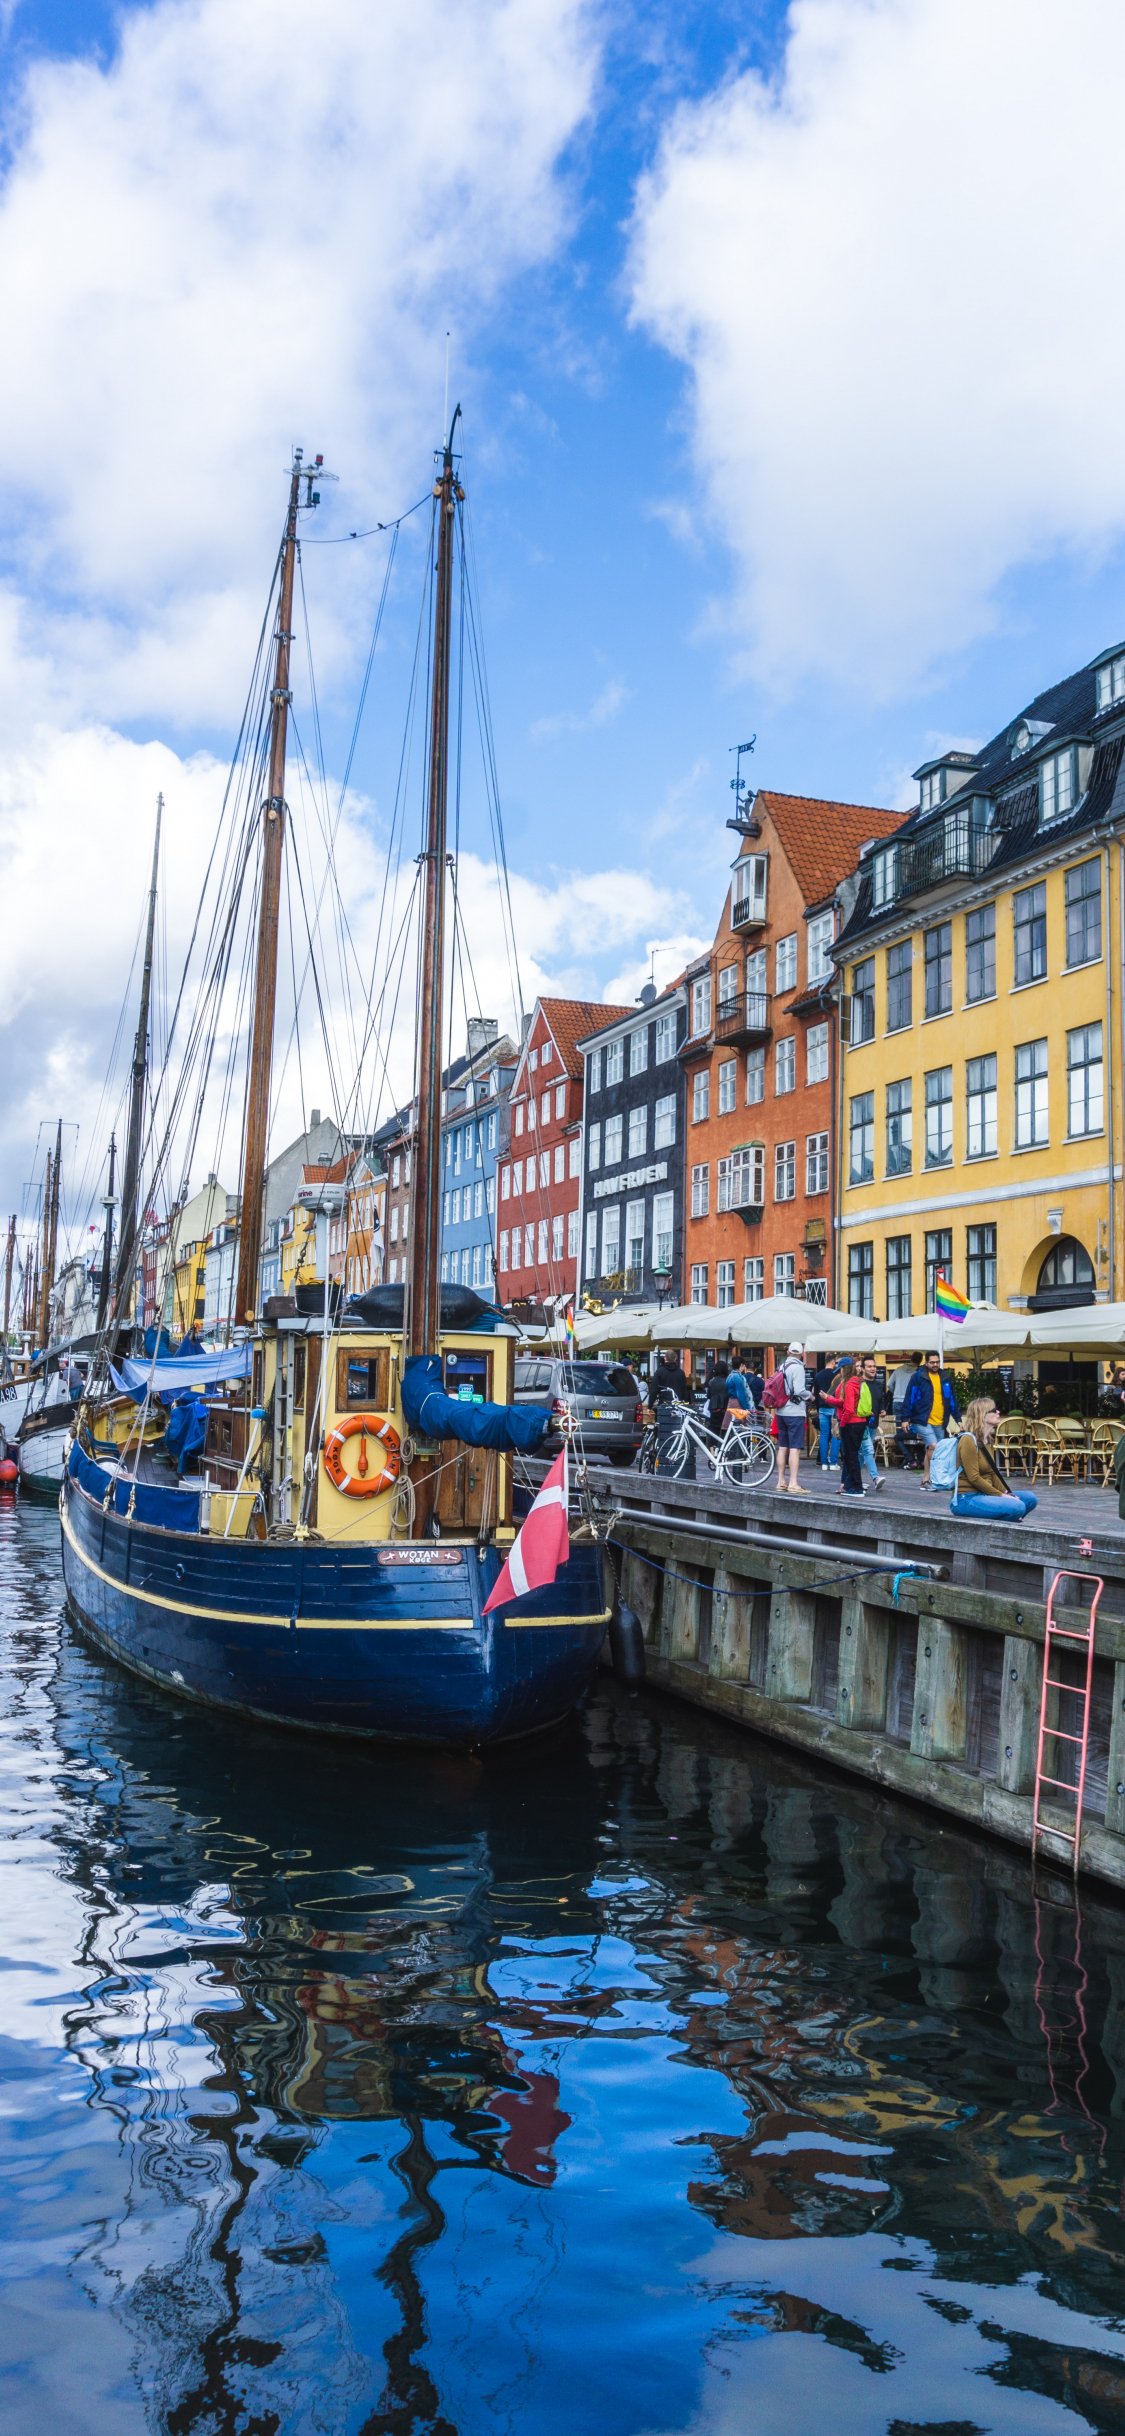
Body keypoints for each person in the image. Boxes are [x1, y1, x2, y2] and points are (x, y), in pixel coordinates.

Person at [950, 1397, 1038, 1521]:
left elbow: (992, 1473)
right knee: (1017, 1507)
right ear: (982, 1415)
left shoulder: (987, 1440)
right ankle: (1005, 1523)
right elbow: (974, 1478)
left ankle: (1005, 1522)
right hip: (966, 1499)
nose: (998, 1412)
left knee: (1030, 1499)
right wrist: (1001, 1495)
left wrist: (1006, 1492)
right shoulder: (968, 1440)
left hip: (986, 1494)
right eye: (994, 1410)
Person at [903, 1353, 961, 1488]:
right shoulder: (918, 1377)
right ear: (926, 1363)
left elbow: (951, 1399)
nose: (935, 1365)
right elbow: (910, 1397)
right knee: (934, 1446)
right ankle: (932, 1478)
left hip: (940, 1420)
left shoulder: (945, 1377)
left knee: (932, 1449)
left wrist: (958, 1418)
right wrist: (905, 1418)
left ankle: (927, 1479)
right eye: (932, 1362)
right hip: (921, 1419)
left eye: (937, 1362)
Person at [821, 1358, 868, 1495]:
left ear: (845, 1369)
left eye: (841, 1369)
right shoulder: (857, 1381)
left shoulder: (848, 1384)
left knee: (851, 1457)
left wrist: (842, 1424)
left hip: (851, 1423)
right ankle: (849, 1485)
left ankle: (857, 1488)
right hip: (859, 1422)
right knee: (851, 1456)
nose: (839, 1372)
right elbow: (845, 1403)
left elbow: (848, 1409)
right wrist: (828, 1399)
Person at [775, 1341, 809, 1494]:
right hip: (794, 1412)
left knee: (783, 1447)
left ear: (788, 1352)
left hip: (780, 1412)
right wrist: (810, 1396)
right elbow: (799, 1390)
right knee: (795, 1448)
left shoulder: (781, 1366)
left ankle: (781, 1481)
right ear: (801, 1354)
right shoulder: (798, 1367)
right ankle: (793, 1483)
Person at [858, 1357, 886, 1490]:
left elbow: (880, 1401)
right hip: (860, 1422)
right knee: (868, 1449)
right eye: (869, 1366)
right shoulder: (859, 1383)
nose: (873, 1369)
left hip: (873, 1423)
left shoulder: (879, 1385)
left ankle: (854, 1479)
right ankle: (875, 1477)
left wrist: (882, 1409)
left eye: (874, 1366)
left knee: (861, 1452)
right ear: (863, 1369)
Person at [810, 1357, 841, 1471]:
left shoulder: (818, 1375)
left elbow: (815, 1394)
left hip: (822, 1408)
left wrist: (819, 1407)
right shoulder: (838, 1375)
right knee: (835, 1435)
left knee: (823, 1435)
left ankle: (823, 1463)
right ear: (833, 1362)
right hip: (834, 1408)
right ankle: (833, 1462)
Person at [723, 1349, 756, 1421]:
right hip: (737, 1404)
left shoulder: (730, 1376)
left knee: (730, 1424)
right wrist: (747, 1408)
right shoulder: (737, 1377)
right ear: (741, 1365)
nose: (744, 1368)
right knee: (739, 1424)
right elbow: (741, 1395)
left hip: (731, 1402)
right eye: (744, 1366)